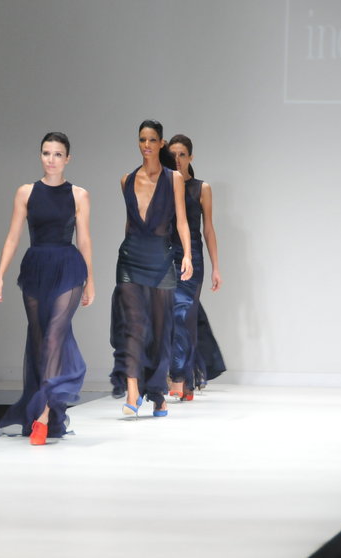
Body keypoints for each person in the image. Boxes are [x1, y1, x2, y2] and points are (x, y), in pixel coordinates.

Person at [0, 132, 94, 445]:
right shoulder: (26, 192)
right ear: (40, 155)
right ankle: (43, 410)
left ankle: (44, 417)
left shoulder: (79, 194)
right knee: (39, 341)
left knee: (54, 337)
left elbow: (84, 239)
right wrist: (0, 274)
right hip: (36, 267)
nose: (51, 159)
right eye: (47, 153)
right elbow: (13, 236)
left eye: (58, 154)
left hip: (68, 267)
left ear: (67, 159)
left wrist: (90, 279)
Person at [110, 120, 192, 418]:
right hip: (130, 258)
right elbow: (130, 222)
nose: (146, 145)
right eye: (142, 139)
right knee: (132, 325)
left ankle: (156, 393)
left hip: (160, 259)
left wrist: (187, 255)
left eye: (152, 139)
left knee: (160, 330)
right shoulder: (127, 180)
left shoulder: (174, 179)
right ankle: (132, 391)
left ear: (161, 143)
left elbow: (181, 220)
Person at [166, 134, 224, 401]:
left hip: (193, 259)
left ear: (191, 157)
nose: (177, 160)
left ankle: (179, 378)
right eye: (173, 155)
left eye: (182, 154)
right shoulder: (165, 186)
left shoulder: (202, 188)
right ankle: (187, 380)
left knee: (183, 314)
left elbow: (208, 229)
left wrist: (216, 267)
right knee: (176, 318)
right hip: (166, 257)